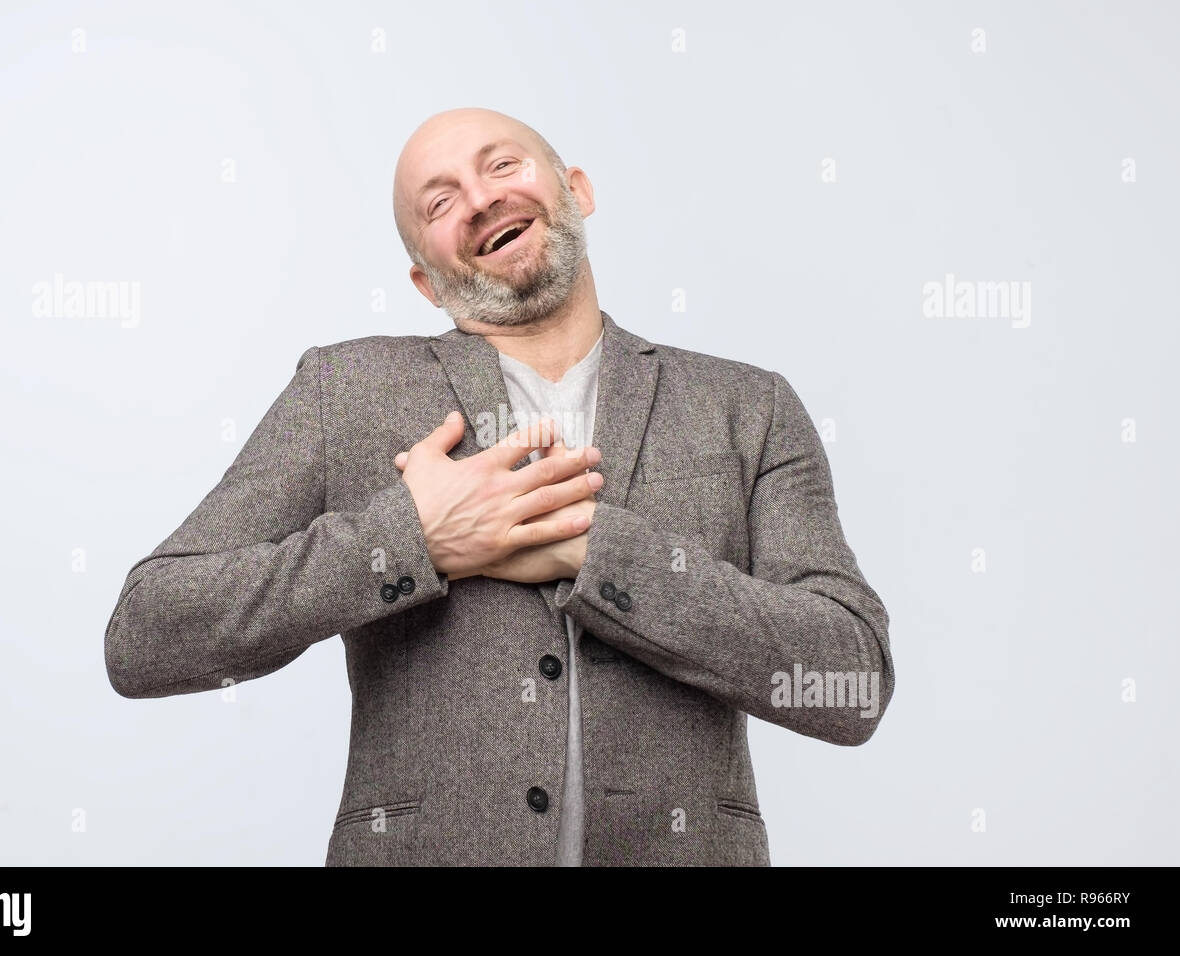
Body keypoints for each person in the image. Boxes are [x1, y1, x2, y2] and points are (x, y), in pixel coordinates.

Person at [104, 106, 894, 866]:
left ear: (576, 190)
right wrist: (412, 541)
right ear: (425, 279)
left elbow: (851, 683)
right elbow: (147, 637)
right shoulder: (342, 389)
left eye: (502, 165)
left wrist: (592, 551)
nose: (481, 200)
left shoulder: (746, 407)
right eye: (440, 201)